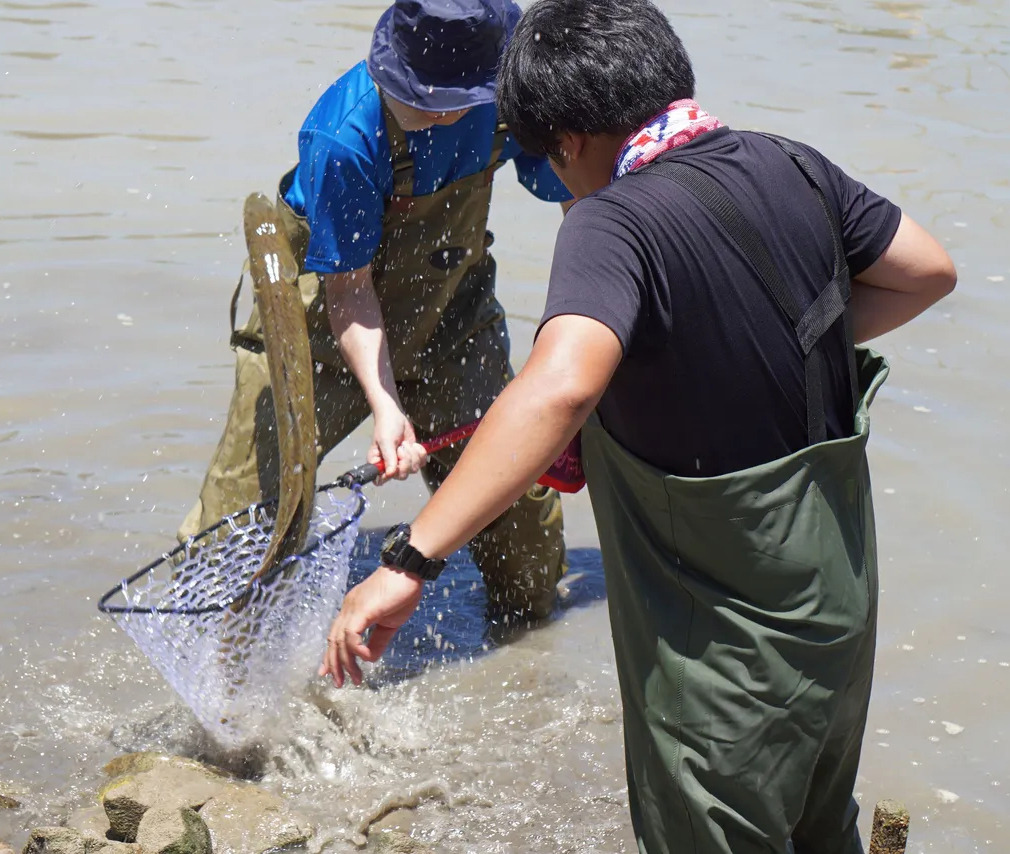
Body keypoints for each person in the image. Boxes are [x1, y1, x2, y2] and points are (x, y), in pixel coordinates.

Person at [319, 0, 958, 851]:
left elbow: (558, 391)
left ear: (573, 141)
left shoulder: (611, 221)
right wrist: (751, 340)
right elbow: (926, 273)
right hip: (836, 601)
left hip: (721, 642)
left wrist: (409, 562)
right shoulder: (794, 165)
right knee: (818, 830)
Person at [179, 0, 573, 620]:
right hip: (321, 333)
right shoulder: (344, 138)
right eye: (408, 91)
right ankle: (223, 669)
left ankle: (529, 649)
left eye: (443, 101)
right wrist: (386, 407)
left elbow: (577, 193)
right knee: (241, 526)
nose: (422, 110)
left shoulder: (512, 95)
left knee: (517, 522)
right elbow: (349, 292)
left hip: (451, 316)